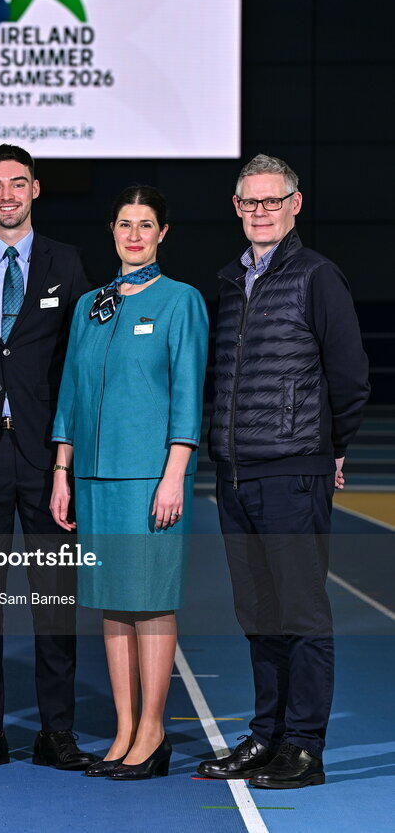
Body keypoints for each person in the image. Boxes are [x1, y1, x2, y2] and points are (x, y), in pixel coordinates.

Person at [199, 155, 370, 789]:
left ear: (295, 205)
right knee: (258, 614)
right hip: (236, 475)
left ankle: (304, 746)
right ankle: (267, 734)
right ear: (237, 208)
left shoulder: (317, 276)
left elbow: (351, 377)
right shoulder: (229, 279)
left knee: (300, 614)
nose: (261, 212)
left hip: (293, 473)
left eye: (272, 202)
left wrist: (330, 447)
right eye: (250, 203)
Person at [0, 144, 95, 771]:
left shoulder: (69, 262)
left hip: (45, 458)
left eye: (18, 184)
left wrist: (70, 457)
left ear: (36, 189)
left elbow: (82, 365)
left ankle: (56, 731)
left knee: (54, 598)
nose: (7, 195)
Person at [50, 185, 208, 781]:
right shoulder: (92, 303)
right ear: (112, 231)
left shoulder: (181, 301)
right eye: (124, 223)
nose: (134, 234)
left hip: (149, 477)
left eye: (146, 224)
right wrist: (62, 470)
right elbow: (69, 389)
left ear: (162, 232)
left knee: (151, 603)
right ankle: (123, 729)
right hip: (93, 478)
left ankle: (154, 731)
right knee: (112, 606)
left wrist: (174, 475)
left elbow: (188, 393)